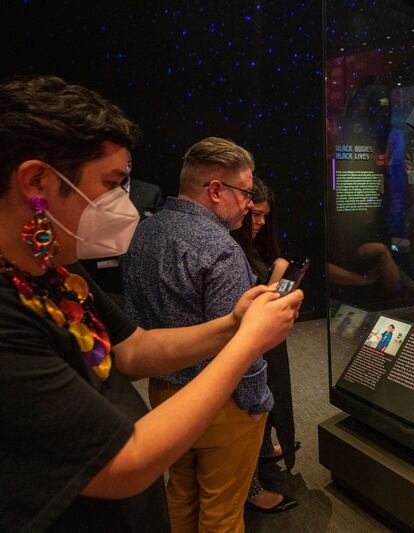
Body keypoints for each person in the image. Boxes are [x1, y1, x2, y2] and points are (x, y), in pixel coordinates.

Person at [0, 76, 302, 532]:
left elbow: (134, 349)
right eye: (110, 183)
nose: (123, 202)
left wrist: (233, 323)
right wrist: (247, 341)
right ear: (37, 181)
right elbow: (124, 462)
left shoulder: (56, 267)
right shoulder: (9, 310)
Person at [122, 137, 289, 532]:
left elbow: (134, 321)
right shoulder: (222, 249)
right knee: (223, 511)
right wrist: (257, 402)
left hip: (163, 395)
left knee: (180, 493)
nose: (250, 204)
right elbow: (242, 346)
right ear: (216, 190)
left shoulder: (143, 233)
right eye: (246, 193)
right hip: (222, 403)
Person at [231, 177, 299, 513]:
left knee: (270, 400)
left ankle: (261, 454)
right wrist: (279, 275)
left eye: (264, 217)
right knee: (250, 413)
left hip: (264, 347)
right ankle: (251, 487)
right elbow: (249, 312)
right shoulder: (230, 250)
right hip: (247, 353)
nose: (259, 222)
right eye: (254, 214)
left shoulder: (252, 245)